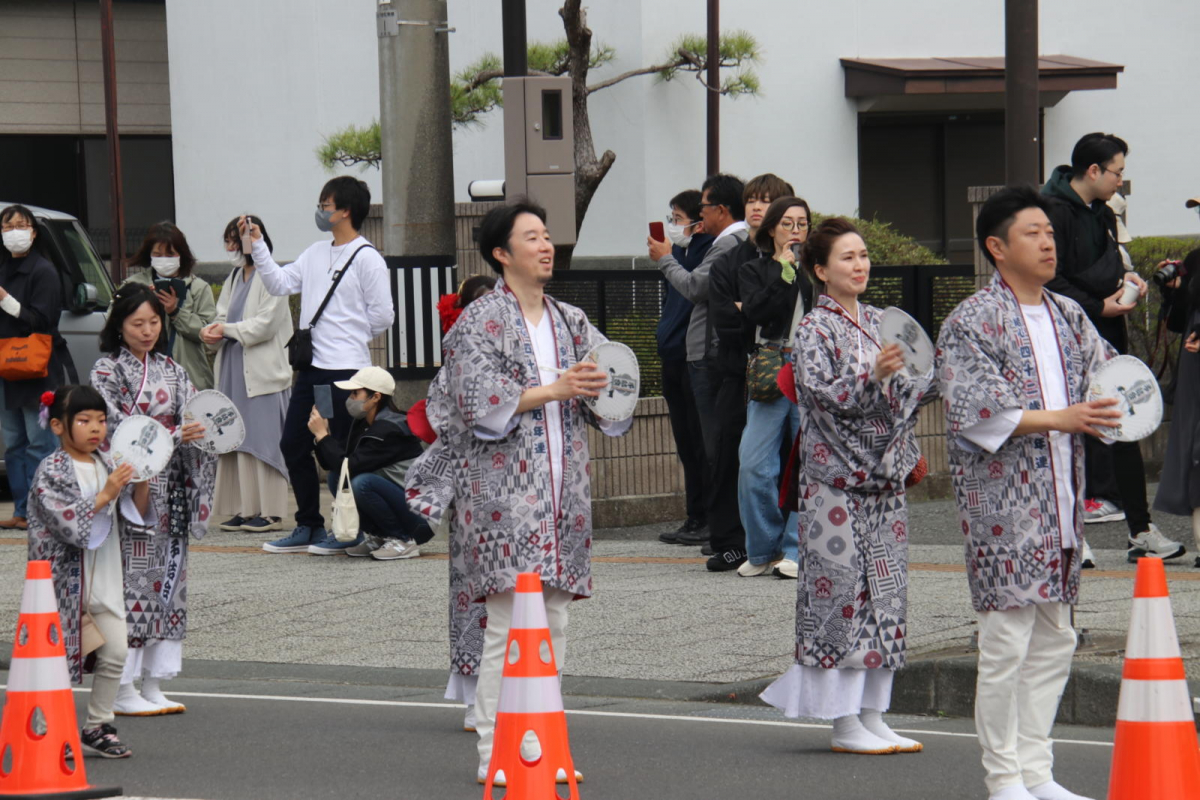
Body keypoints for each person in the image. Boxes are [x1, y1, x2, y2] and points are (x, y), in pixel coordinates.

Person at [407, 199, 631, 785]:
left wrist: (603, 386)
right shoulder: (480, 321)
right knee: (508, 627)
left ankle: (543, 745)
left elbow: (612, 388)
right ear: (501, 254)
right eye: (531, 237)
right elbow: (476, 403)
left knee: (552, 624)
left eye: (547, 235)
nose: (546, 244)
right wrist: (555, 388)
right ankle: (495, 752)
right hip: (503, 499)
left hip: (563, 497)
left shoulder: (571, 319)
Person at [938, 186, 1120, 800]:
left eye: (1050, 231)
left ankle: (1038, 772)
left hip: (1063, 501)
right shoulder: (970, 320)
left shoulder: (1069, 313)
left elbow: (1110, 374)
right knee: (1007, 642)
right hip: (1003, 509)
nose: (1048, 241)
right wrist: (1062, 418)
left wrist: (1123, 400)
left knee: (1055, 640)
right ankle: (1004, 779)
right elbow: (975, 411)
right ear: (997, 247)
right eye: (1033, 233)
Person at [760, 217, 932, 755]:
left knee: (887, 595)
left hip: (884, 481)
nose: (860, 266)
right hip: (836, 482)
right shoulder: (814, 328)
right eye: (847, 258)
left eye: (862, 256)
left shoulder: (883, 321)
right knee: (840, 596)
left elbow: (918, 385)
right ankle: (842, 721)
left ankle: (874, 713)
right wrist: (875, 379)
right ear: (820, 270)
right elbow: (820, 396)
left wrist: (918, 378)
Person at [1042, 133, 1183, 564]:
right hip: (1066, 334)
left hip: (1107, 330)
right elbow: (1051, 276)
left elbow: (1110, 263)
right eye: (1117, 172)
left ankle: (1140, 531)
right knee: (1067, 432)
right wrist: (1098, 304)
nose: (1120, 181)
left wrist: (1129, 282)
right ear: (1093, 171)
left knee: (1124, 426)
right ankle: (1069, 534)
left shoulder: (1100, 211)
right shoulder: (1051, 211)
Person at [241, 177, 395, 555]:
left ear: (345, 210)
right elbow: (278, 283)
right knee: (294, 442)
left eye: (325, 205)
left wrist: (350, 335)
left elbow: (383, 316)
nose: (320, 210)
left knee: (335, 448)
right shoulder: (313, 253)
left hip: (344, 374)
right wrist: (258, 244)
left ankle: (348, 529)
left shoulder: (367, 258)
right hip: (312, 371)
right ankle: (309, 524)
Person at [90, 283, 216, 716]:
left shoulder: (171, 367)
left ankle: (154, 680)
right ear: (119, 327)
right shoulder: (107, 371)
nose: (147, 331)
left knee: (170, 581)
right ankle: (121, 687)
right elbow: (117, 431)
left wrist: (199, 430)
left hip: (173, 485)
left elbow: (190, 414)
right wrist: (178, 433)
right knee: (135, 582)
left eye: (154, 322)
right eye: (137, 323)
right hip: (136, 487)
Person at [27, 384, 152, 759]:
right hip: (62, 582)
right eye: (83, 420)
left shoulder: (106, 462)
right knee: (56, 660)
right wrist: (106, 493)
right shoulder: (52, 468)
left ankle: (97, 725)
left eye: (100, 420)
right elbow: (65, 522)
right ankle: (48, 730)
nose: (95, 428)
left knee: (115, 651)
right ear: (58, 426)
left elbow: (135, 514)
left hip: (104, 574)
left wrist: (142, 478)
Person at [649, 174, 752, 567]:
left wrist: (664, 259)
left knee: (716, 447)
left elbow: (694, 288)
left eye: (703, 208)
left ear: (721, 210)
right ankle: (720, 528)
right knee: (713, 445)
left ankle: (722, 530)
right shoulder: (727, 244)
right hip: (707, 353)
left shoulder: (727, 244)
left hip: (709, 355)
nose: (698, 215)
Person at [704, 173, 795, 570]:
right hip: (738, 370)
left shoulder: (803, 260)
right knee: (735, 457)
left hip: (789, 370)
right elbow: (726, 317)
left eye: (767, 201)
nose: (757, 207)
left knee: (792, 457)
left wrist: (752, 308)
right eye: (752, 200)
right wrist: (750, 312)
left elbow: (761, 314)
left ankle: (787, 545)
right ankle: (733, 539)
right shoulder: (729, 260)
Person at [735, 196, 814, 578]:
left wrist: (802, 271)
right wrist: (784, 272)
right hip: (770, 365)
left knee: (810, 460)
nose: (795, 231)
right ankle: (764, 548)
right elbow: (757, 313)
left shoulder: (818, 270)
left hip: (811, 366)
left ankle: (799, 549)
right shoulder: (755, 269)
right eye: (787, 224)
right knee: (754, 463)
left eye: (802, 224)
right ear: (771, 229)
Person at [200, 216, 291, 534]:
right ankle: (246, 508)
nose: (229, 248)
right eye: (226, 241)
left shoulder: (272, 276)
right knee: (236, 437)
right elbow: (222, 313)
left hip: (263, 371)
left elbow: (265, 324)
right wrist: (214, 329)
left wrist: (226, 328)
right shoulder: (235, 276)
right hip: (234, 366)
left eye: (234, 240)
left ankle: (271, 512)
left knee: (265, 440)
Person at [308, 366, 431, 559]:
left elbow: (348, 465)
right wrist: (322, 437)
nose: (350, 398)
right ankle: (380, 536)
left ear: (375, 397)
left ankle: (403, 539)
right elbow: (336, 466)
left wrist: (323, 437)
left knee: (361, 483)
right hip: (405, 505)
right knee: (337, 478)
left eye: (356, 393)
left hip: (421, 518)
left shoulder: (389, 429)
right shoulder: (365, 423)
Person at [652, 190, 714, 545]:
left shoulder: (709, 250)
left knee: (702, 441)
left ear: (698, 221)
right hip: (672, 355)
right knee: (685, 442)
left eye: (677, 218)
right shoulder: (677, 252)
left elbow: (693, 290)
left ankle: (708, 517)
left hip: (695, 357)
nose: (673, 225)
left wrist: (666, 259)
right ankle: (694, 516)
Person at [0, 204, 68, 530]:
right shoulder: (2, 270)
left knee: (39, 442)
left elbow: (43, 321)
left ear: (33, 231)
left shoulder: (44, 271)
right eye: (8, 226)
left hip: (36, 368)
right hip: (5, 368)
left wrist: (6, 301)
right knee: (13, 442)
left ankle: (44, 509)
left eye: (21, 225)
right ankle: (21, 511)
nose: (15, 231)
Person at [121, 221, 217, 391]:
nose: (163, 259)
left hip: (190, 379)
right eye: (157, 254)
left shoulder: (198, 287)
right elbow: (115, 323)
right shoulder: (133, 285)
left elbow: (207, 333)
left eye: (170, 254)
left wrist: (175, 312)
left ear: (181, 255)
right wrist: (142, 302)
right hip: (142, 379)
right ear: (149, 255)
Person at [1152, 247, 1200, 567]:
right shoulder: (1196, 260)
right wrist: (1174, 292)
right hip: (1195, 367)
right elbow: (1182, 321)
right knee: (1197, 451)